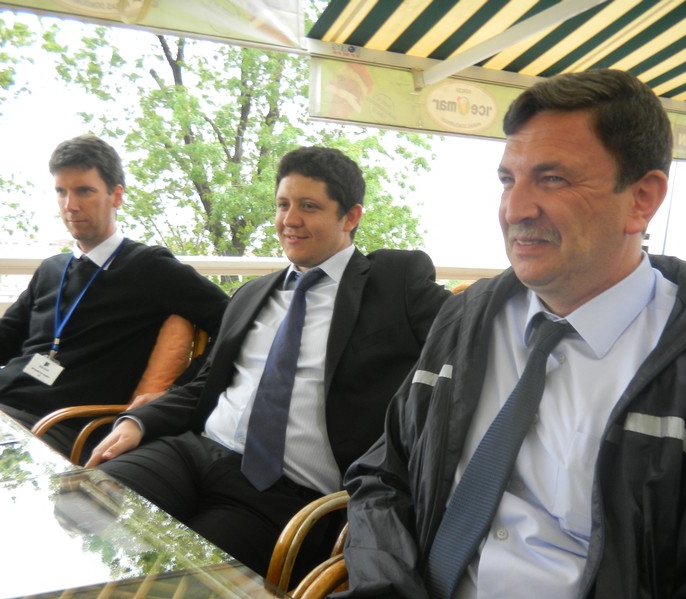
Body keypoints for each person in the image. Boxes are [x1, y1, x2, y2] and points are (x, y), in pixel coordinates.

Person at [338, 69, 686, 598]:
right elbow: (381, 474)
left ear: (642, 199)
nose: (515, 209)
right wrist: (387, 587)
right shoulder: (466, 318)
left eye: (553, 179)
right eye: (508, 180)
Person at [86, 145, 451, 581]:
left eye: (308, 206)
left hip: (285, 495)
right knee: (88, 505)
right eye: (282, 205)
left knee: (183, 583)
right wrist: (138, 421)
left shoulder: (395, 283)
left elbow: (469, 333)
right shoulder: (252, 294)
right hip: (192, 454)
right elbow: (205, 385)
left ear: (350, 217)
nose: (289, 220)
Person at [0, 135, 229, 458]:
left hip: (56, 428)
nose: (70, 205)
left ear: (116, 196)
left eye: (84, 191)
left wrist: (178, 392)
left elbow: (236, 321)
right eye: (61, 192)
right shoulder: (52, 269)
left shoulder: (150, 268)